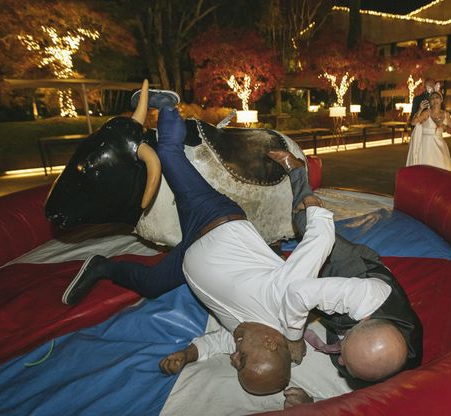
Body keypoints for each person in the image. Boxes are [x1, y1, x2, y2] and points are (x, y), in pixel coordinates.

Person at [161, 148, 423, 397]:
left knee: (298, 291)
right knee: (305, 223)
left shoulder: (386, 361)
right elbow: (300, 290)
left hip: (347, 316)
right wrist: (295, 337)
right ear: (363, 321)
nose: (339, 361)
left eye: (346, 363)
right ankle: (298, 173)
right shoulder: (367, 295)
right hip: (360, 272)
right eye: (344, 352)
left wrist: (308, 403)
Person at [405, 91, 451, 171]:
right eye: (432, 98)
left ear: (441, 100)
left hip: (439, 144)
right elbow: (413, 123)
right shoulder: (427, 112)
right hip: (426, 145)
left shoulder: (446, 115)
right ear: (430, 102)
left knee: (441, 168)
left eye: (437, 97)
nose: (435, 100)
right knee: (426, 168)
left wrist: (443, 126)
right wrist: (420, 109)